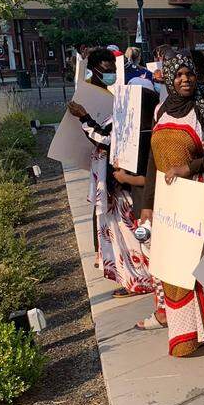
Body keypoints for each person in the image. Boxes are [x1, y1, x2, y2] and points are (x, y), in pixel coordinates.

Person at [139, 53, 204, 357]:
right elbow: (154, 162)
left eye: (190, 74)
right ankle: (188, 333)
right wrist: (147, 204)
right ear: (169, 78)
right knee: (177, 269)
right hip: (171, 206)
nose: (185, 79)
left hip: (202, 201)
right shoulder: (160, 111)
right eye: (178, 74)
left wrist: (192, 166)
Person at [68, 48, 156, 300]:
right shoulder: (131, 113)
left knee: (128, 233)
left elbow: (106, 139)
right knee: (121, 232)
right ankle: (136, 277)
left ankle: (140, 279)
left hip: (124, 183)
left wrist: (84, 117)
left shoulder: (132, 119)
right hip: (116, 179)